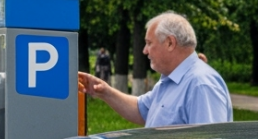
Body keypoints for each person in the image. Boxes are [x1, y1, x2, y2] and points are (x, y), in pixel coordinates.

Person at [78, 11, 232, 127]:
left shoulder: (201, 85)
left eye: (149, 43)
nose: (145, 50)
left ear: (170, 43)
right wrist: (104, 91)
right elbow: (141, 110)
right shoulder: (171, 79)